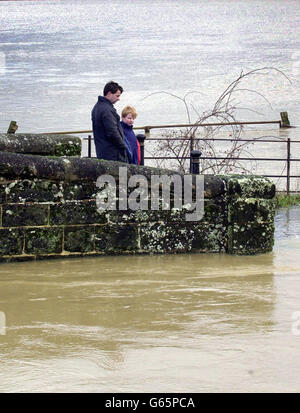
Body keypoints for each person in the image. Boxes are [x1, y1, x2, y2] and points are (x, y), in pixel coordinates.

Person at [91, 81, 128, 162]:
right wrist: (123, 146)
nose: (118, 98)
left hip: (103, 151)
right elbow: (112, 132)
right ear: (109, 93)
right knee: (120, 174)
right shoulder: (107, 110)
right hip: (113, 154)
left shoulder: (97, 107)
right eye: (117, 96)